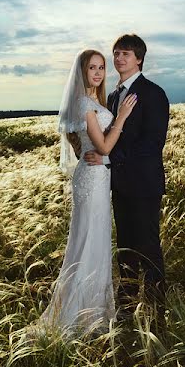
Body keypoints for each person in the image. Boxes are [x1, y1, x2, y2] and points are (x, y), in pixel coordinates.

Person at [33, 49, 137, 338]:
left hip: (96, 175)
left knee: (96, 239)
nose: (98, 73)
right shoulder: (83, 103)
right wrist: (123, 117)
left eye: (102, 67)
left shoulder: (92, 102)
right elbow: (103, 147)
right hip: (92, 179)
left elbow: (83, 143)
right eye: (92, 68)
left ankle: (93, 311)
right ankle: (79, 315)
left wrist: (86, 150)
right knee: (89, 239)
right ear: (82, 72)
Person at [84, 34, 169, 334]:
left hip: (144, 185)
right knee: (125, 250)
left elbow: (152, 144)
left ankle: (158, 313)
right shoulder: (113, 97)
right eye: (117, 53)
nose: (119, 59)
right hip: (119, 186)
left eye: (126, 54)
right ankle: (129, 309)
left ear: (139, 59)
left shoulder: (153, 94)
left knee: (148, 247)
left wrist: (108, 160)